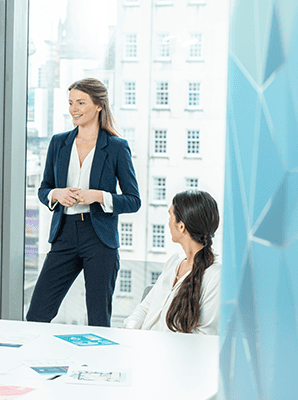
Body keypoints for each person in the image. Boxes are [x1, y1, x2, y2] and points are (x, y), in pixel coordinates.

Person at [26, 77, 141, 327]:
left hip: (99, 238)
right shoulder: (59, 143)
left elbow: (133, 201)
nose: (74, 109)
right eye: (70, 103)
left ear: (99, 105)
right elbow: (44, 188)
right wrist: (56, 194)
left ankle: (99, 367)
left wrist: (98, 196)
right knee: (36, 315)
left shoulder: (117, 147)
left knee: (99, 320)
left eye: (80, 102)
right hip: (64, 235)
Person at [123, 190, 221, 334]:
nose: (168, 222)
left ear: (181, 226)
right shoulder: (174, 262)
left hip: (172, 355)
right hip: (142, 345)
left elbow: (204, 335)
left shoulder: (215, 275)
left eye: (170, 216)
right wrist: (129, 330)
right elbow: (144, 308)